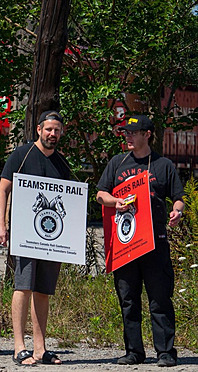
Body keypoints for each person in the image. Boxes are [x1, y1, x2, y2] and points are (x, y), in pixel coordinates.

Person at [96, 115, 184, 367]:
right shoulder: (117, 163)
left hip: (155, 243)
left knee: (160, 299)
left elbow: (178, 197)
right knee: (129, 299)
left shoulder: (163, 164)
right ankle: (134, 351)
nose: (128, 136)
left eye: (133, 132)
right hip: (126, 244)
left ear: (147, 134)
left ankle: (165, 352)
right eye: (126, 132)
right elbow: (101, 194)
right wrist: (115, 202)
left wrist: (178, 211)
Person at [0, 110, 69, 366]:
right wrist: (1, 224)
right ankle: (18, 347)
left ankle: (40, 349)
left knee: (43, 291)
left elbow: (71, 201)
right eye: (49, 129)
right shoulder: (22, 154)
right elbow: (3, 189)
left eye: (57, 130)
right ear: (38, 130)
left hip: (52, 239)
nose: (53, 134)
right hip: (25, 235)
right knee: (23, 287)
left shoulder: (62, 163)